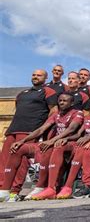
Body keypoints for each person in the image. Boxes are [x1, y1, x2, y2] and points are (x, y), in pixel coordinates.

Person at [0, 92, 84, 202]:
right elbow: (41, 129)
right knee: (18, 149)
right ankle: (5, 190)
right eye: (60, 100)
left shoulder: (77, 113)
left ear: (71, 103)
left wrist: (52, 140)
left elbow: (72, 129)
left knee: (49, 147)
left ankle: (41, 187)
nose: (61, 102)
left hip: (70, 144)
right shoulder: (56, 114)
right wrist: (22, 141)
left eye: (65, 101)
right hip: (54, 143)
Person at [0, 69, 57, 202]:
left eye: (39, 75)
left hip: (30, 130)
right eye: (34, 75)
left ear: (45, 77)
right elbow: (18, 111)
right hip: (13, 130)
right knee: (4, 160)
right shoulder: (22, 93)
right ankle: (3, 188)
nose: (36, 77)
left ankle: (14, 190)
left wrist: (42, 129)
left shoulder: (48, 91)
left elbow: (53, 111)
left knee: (21, 160)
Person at [55, 96, 90, 199]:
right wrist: (67, 139)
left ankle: (78, 184)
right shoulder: (87, 117)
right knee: (65, 146)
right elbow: (79, 134)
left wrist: (88, 138)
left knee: (84, 149)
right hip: (85, 142)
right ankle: (60, 186)